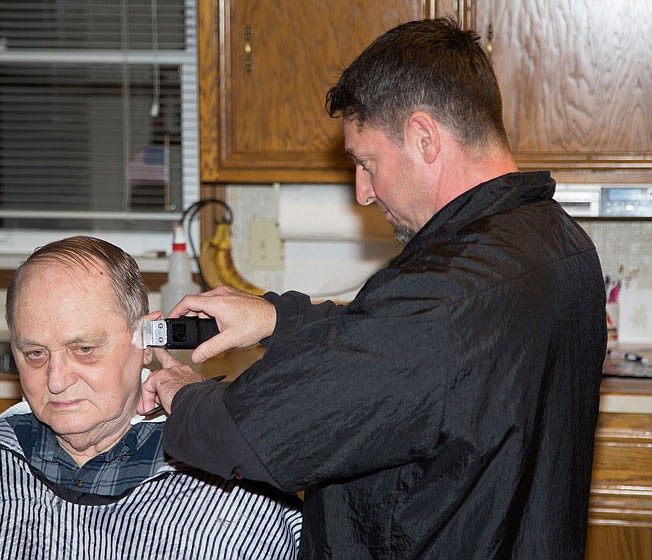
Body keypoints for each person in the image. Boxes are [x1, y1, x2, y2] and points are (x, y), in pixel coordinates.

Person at [139, 18, 607, 559]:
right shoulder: (560, 241)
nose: (363, 192)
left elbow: (245, 434)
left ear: (424, 138)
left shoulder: (439, 298)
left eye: (367, 163)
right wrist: (276, 319)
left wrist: (179, 389)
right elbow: (408, 351)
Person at [0, 236, 302, 560]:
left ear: (145, 340)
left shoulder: (240, 496)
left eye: (85, 349)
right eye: (34, 354)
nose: (56, 381)